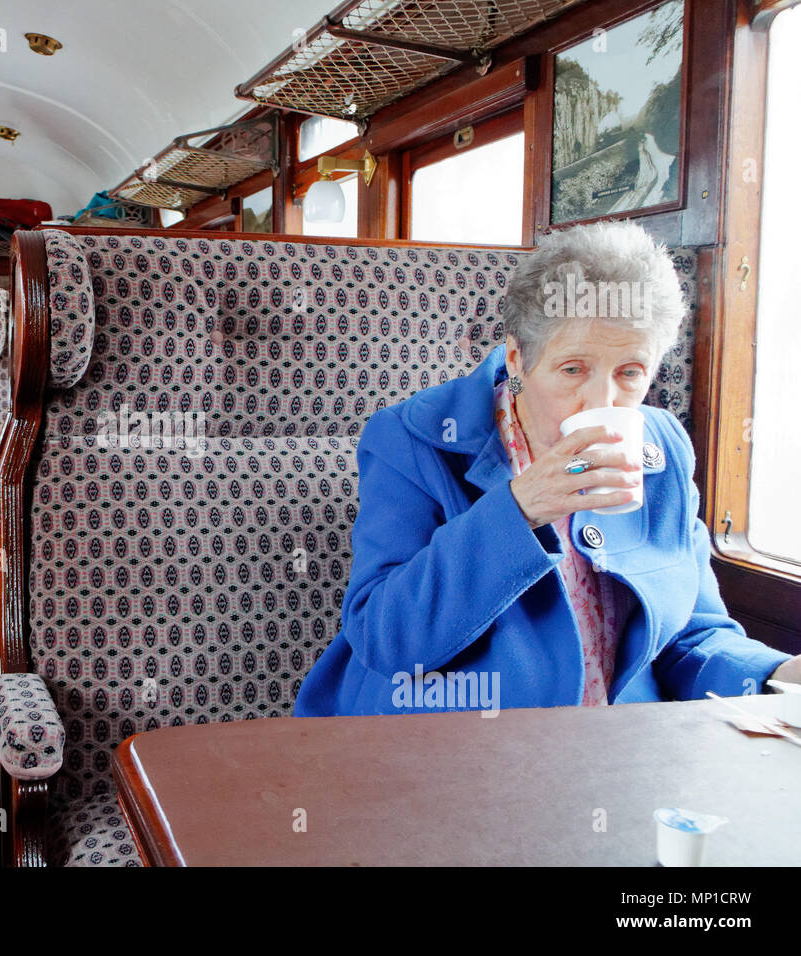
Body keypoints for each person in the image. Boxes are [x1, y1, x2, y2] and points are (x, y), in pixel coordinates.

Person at [295, 221, 800, 717]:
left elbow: (692, 634)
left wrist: (778, 674)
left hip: (622, 754)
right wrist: (520, 509)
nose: (601, 399)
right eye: (573, 368)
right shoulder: (412, 438)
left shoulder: (661, 446)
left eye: (630, 373)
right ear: (517, 358)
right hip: (454, 749)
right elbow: (388, 639)